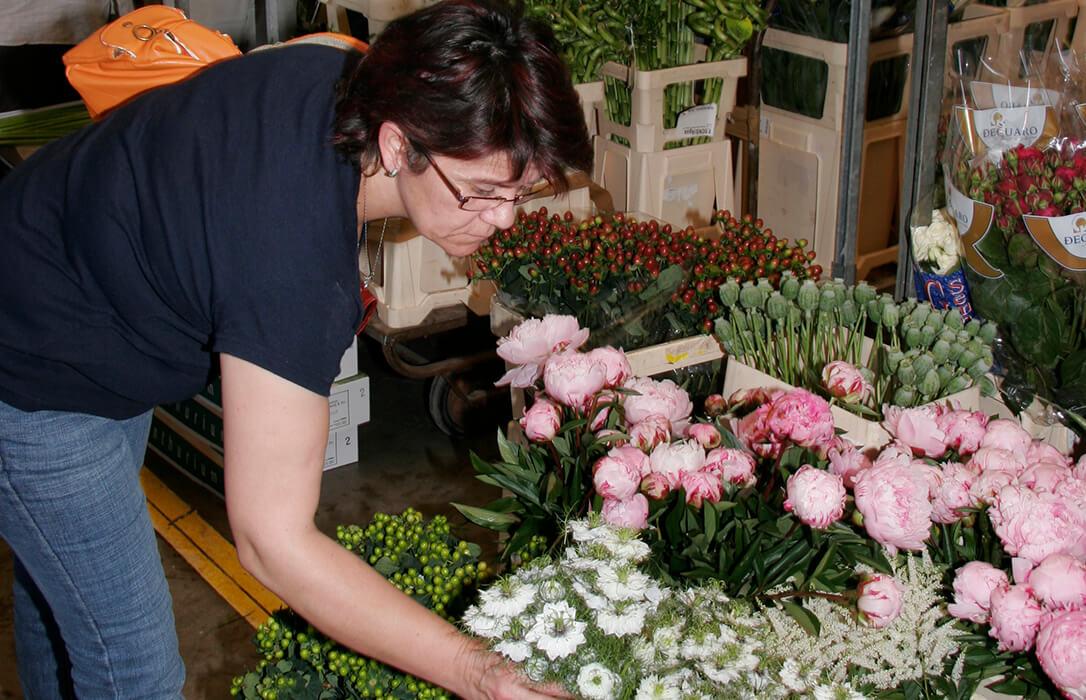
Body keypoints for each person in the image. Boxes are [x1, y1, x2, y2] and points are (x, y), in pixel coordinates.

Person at [0, 0, 593, 696]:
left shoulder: (352, 68)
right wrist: (477, 672)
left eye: (522, 192)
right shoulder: (293, 264)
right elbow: (271, 541)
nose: (503, 219)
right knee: (133, 665)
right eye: (482, 192)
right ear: (397, 146)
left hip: (72, 258)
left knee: (59, 594)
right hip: (35, 368)